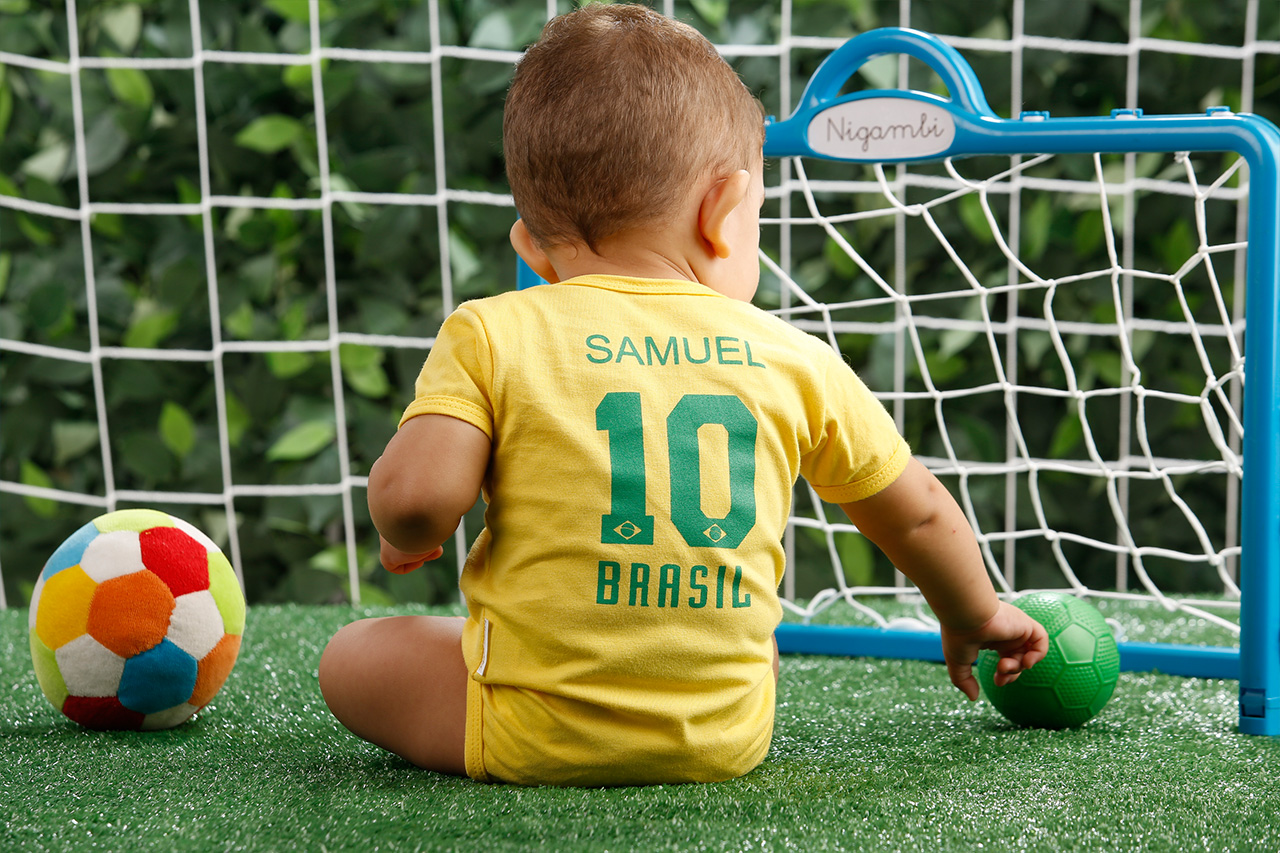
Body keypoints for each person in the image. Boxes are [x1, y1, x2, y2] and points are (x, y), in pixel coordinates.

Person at [318, 2, 1048, 787]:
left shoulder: (494, 330)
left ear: (529, 244)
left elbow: (420, 499)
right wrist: (973, 614)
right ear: (723, 212)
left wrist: (405, 532)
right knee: (745, 638)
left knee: (349, 656)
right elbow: (921, 512)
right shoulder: (793, 355)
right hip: (725, 734)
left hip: (530, 732)